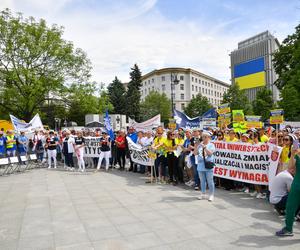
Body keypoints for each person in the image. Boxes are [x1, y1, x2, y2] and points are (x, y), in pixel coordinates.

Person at [276, 147, 300, 237]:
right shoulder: (298, 152)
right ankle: (288, 229)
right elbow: (290, 167)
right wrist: (293, 154)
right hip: (296, 184)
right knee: (290, 207)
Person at [194, 131, 216, 201]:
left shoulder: (211, 145)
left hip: (208, 165)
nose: (204, 138)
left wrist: (205, 147)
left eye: (206, 137)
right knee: (202, 181)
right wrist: (196, 146)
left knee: (210, 180)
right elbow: (195, 153)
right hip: (200, 165)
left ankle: (211, 194)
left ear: (209, 138)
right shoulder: (200, 145)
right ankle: (203, 193)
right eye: (203, 137)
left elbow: (210, 153)